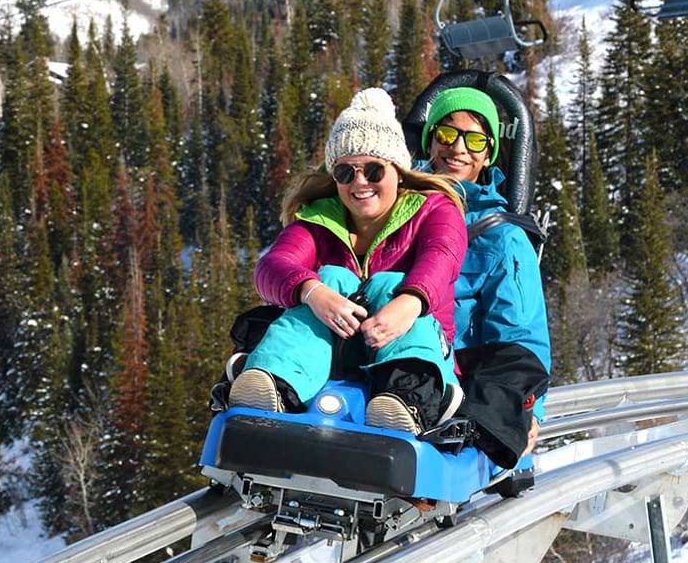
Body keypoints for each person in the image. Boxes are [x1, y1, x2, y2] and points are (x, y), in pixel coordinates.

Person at [227, 87, 468, 434]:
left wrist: (411, 301)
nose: (359, 182)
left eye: (373, 171)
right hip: (333, 354)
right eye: (345, 172)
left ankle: (405, 401)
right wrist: (312, 292)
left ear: (397, 171)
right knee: (329, 281)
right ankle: (272, 385)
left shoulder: (434, 211)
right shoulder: (318, 222)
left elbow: (442, 256)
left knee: (388, 285)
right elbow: (272, 266)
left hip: (410, 345)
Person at [418, 86, 551, 468]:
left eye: (474, 139)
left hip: (456, 381)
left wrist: (527, 410)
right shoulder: (397, 206)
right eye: (446, 134)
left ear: (488, 154)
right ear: (429, 142)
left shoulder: (502, 237)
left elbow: (520, 335)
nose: (458, 148)